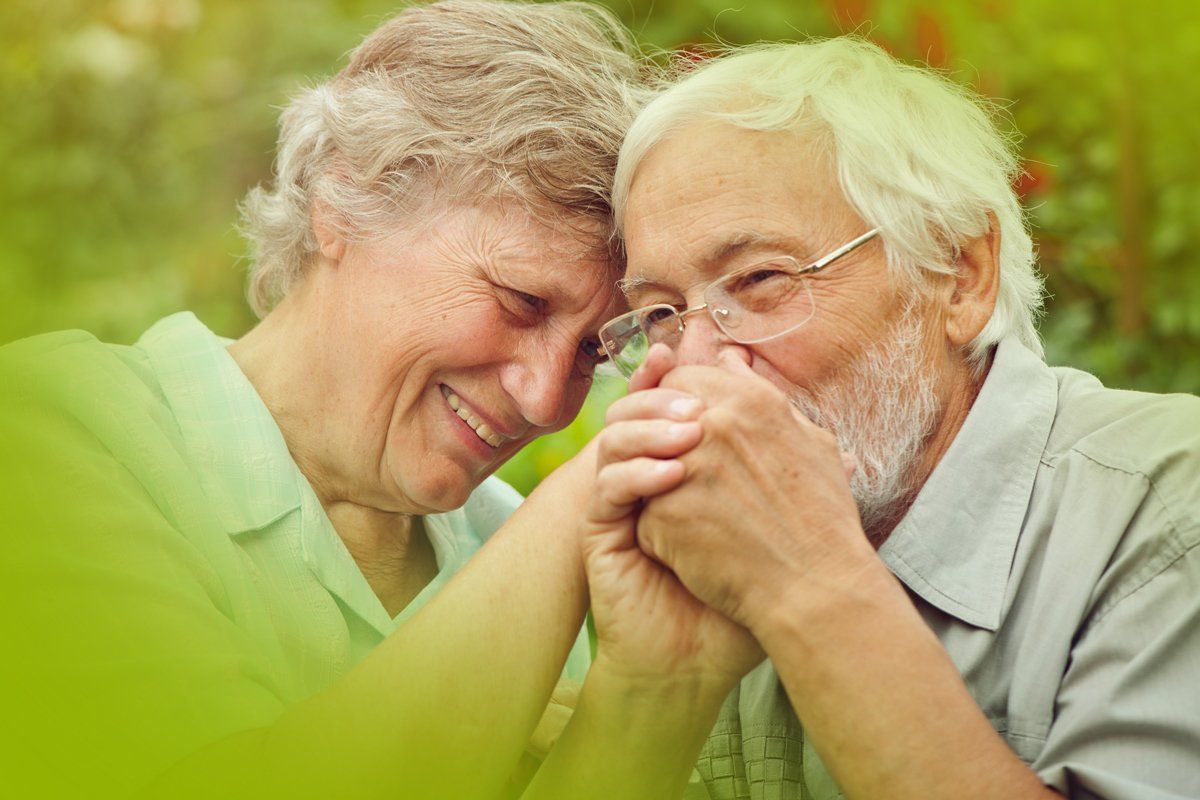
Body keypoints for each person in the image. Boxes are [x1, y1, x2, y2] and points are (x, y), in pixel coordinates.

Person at [0, 2, 679, 797]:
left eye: (594, 350)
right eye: (522, 301)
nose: (544, 399)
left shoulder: (513, 536)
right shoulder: (57, 432)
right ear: (344, 200)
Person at [561, 37, 1200, 800]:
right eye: (660, 313)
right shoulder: (707, 562)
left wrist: (806, 582)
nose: (697, 365)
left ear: (959, 275)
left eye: (760, 279)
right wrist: (657, 685)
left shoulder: (1168, 507)